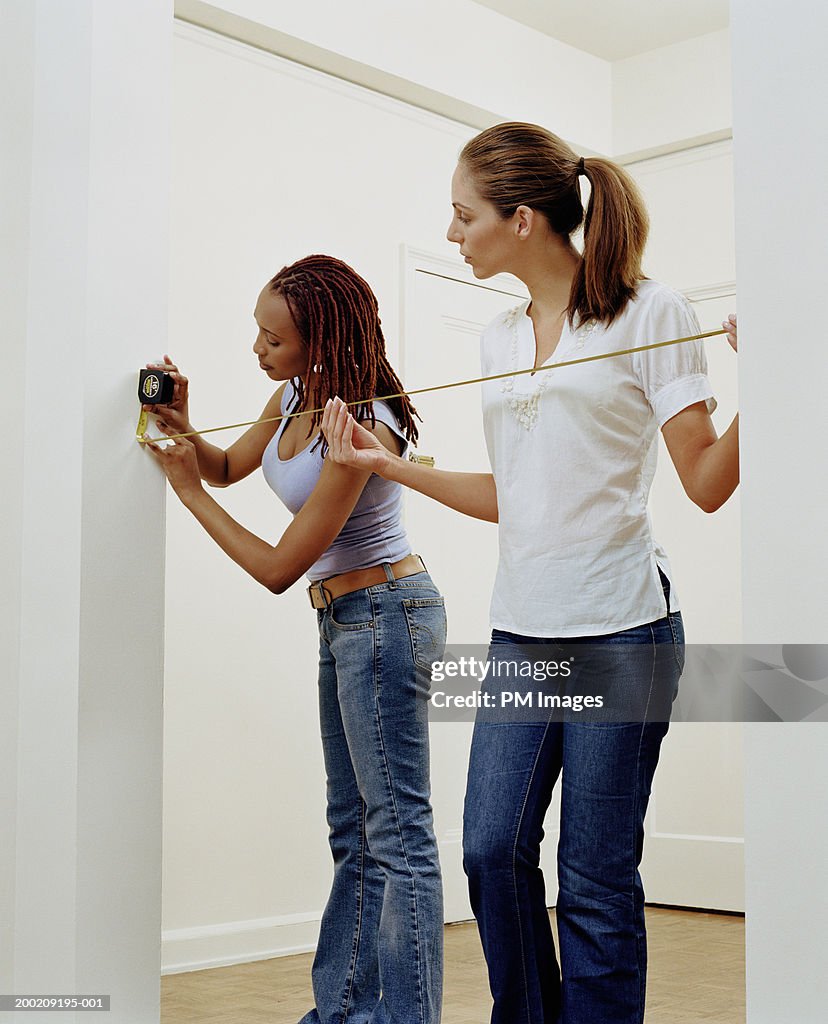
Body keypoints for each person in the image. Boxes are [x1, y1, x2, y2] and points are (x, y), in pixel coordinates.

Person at [321, 124, 739, 1024]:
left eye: (463, 216)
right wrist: (384, 467)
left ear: (520, 219)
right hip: (523, 628)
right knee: (488, 851)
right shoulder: (499, 337)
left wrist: (789, 375)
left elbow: (707, 481)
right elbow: (517, 494)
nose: (452, 233)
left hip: (623, 627)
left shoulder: (649, 313)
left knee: (593, 877)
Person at [142, 254, 446, 1024]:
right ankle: (339, 1013)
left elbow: (279, 568)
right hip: (344, 621)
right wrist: (183, 428)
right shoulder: (292, 396)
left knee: (397, 835)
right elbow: (225, 467)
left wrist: (183, 495)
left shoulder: (363, 425)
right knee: (354, 831)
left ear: (322, 339)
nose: (257, 349)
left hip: (387, 616)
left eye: (272, 338)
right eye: (257, 332)